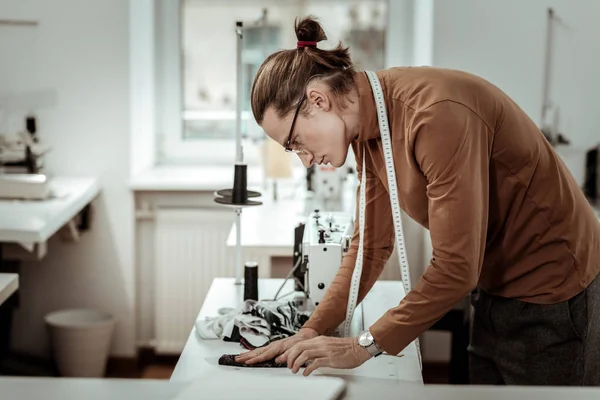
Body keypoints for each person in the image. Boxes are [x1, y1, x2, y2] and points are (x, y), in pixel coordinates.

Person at [235, 16, 600, 385]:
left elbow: (456, 268)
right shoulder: (367, 129)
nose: (304, 159)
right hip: (494, 286)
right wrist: (310, 331)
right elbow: (370, 247)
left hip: (554, 288)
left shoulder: (435, 115)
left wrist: (360, 346)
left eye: (295, 141)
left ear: (319, 100)